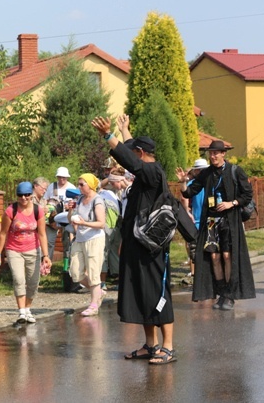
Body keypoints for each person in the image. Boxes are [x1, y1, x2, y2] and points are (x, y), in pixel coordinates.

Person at [91, 114, 176, 365]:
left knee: (157, 293)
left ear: (141, 152)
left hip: (152, 248)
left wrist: (109, 135)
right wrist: (125, 131)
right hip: (137, 244)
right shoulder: (144, 170)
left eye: (134, 152)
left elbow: (132, 161)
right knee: (141, 294)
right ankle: (151, 346)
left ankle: (168, 347)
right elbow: (131, 156)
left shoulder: (152, 172)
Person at [176, 140, 255, 311]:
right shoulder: (206, 174)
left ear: (223, 154)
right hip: (211, 222)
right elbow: (189, 192)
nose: (212, 156)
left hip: (229, 220)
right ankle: (221, 292)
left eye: (215, 153)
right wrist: (183, 182)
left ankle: (229, 294)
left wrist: (232, 203)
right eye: (210, 153)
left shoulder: (235, 171)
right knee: (214, 257)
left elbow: (247, 194)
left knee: (227, 256)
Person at [0, 182, 51, 324]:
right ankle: (21, 312)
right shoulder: (11, 210)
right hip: (14, 250)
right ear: (17, 196)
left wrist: (46, 255)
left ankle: (27, 309)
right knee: (19, 280)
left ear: (31, 195)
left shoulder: (38, 211)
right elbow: (3, 233)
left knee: (33, 282)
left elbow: (42, 234)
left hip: (33, 249)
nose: (24, 198)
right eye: (20, 195)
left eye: (27, 195)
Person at [68, 174, 107, 316]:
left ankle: (94, 305)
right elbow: (71, 219)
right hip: (80, 238)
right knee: (75, 273)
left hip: (94, 239)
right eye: (78, 184)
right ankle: (99, 292)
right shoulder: (79, 199)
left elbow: (101, 223)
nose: (79, 187)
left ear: (90, 185)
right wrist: (71, 210)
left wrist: (83, 223)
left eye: (81, 184)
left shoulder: (98, 200)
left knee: (93, 273)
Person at [180, 159, 208, 285]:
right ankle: (195, 274)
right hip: (196, 220)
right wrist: (187, 213)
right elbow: (184, 195)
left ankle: (207, 274)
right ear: (195, 171)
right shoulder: (193, 183)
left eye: (203, 170)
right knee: (194, 249)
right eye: (199, 170)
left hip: (209, 220)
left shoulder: (211, 183)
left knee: (209, 248)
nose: (201, 172)